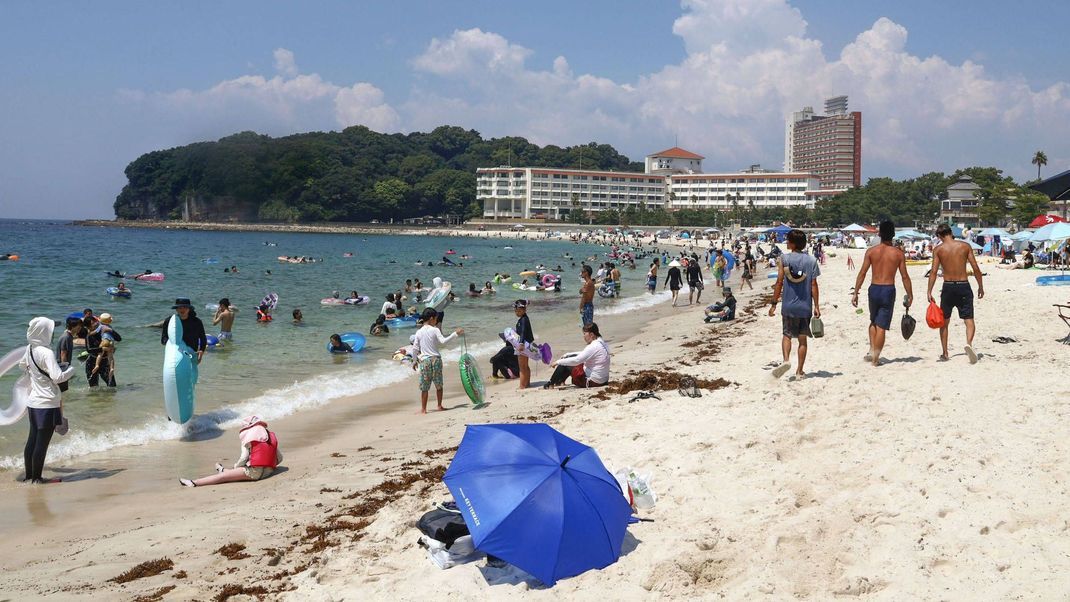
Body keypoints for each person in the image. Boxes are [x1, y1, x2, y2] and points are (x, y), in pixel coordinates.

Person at [20, 317, 75, 484]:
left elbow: (23, 366)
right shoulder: (47, 352)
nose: (52, 334)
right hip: (48, 403)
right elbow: (58, 377)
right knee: (42, 443)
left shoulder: (30, 348)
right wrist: (71, 370)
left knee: (32, 440)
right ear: (43, 332)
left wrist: (37, 375)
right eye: (50, 331)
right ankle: (37, 479)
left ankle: (29, 476)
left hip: (33, 402)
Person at [852, 220, 913, 366]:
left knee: (873, 321)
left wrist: (856, 292)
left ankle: (872, 350)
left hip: (873, 289)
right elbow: (905, 276)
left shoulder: (871, 251)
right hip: (888, 289)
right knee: (882, 326)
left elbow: (862, 273)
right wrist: (910, 294)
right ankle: (875, 359)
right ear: (893, 234)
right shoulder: (898, 254)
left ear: (879, 234)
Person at [927, 223, 985, 363]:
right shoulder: (964, 246)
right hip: (964, 285)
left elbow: (933, 272)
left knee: (944, 322)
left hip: (948, 287)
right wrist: (980, 286)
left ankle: (945, 353)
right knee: (968, 319)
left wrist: (929, 291)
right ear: (951, 232)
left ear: (940, 236)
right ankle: (969, 344)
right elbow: (975, 268)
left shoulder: (939, 249)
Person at [768, 229, 821, 380]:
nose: (786, 243)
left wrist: (773, 303)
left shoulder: (783, 259)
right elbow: (814, 285)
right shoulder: (811, 261)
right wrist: (816, 305)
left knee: (787, 335)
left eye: (787, 240)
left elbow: (779, 282)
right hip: (805, 307)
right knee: (802, 339)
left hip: (788, 306)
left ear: (792, 243)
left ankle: (785, 361)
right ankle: (799, 371)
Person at [180, 415, 282, 487]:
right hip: (269, 471)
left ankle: (194, 482)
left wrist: (237, 468)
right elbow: (280, 458)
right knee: (233, 472)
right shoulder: (268, 435)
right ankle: (223, 470)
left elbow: (243, 458)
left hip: (255, 473)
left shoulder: (249, 436)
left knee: (223, 477)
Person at [411, 308, 463, 413]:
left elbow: (415, 348)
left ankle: (424, 409)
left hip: (425, 361)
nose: (436, 321)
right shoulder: (435, 330)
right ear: (431, 319)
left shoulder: (419, 332)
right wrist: (455, 334)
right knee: (439, 385)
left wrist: (414, 361)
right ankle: (439, 406)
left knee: (424, 387)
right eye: (436, 319)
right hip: (436, 360)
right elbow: (443, 342)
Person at [544, 322, 610, 388]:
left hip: (594, 381)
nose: (583, 336)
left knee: (564, 363)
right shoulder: (601, 342)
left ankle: (550, 383)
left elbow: (577, 360)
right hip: (603, 380)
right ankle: (561, 381)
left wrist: (557, 362)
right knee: (568, 358)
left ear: (592, 334)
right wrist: (567, 354)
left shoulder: (593, 346)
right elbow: (584, 353)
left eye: (584, 334)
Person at [161, 299, 208, 364]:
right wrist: (171, 346)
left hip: (191, 354)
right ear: (176, 309)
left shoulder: (196, 322)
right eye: (180, 307)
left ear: (189, 309)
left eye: (185, 307)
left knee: (191, 373)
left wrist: (201, 351)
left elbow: (203, 339)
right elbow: (163, 339)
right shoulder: (170, 321)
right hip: (175, 355)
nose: (182, 309)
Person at [84, 314, 120, 387]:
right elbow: (89, 350)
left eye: (95, 321)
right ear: (88, 327)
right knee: (93, 387)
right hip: (92, 363)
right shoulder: (89, 336)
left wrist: (111, 330)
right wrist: (103, 349)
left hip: (105, 362)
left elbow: (119, 339)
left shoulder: (105, 331)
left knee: (112, 386)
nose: (95, 324)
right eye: (92, 323)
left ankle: (109, 398)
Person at [513, 299, 535, 389]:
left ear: (524, 310)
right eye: (516, 311)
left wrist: (521, 343)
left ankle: (522, 386)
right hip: (527, 344)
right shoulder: (524, 318)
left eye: (519, 311)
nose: (517, 312)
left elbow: (523, 332)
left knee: (522, 367)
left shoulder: (523, 320)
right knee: (525, 366)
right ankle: (527, 383)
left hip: (523, 344)